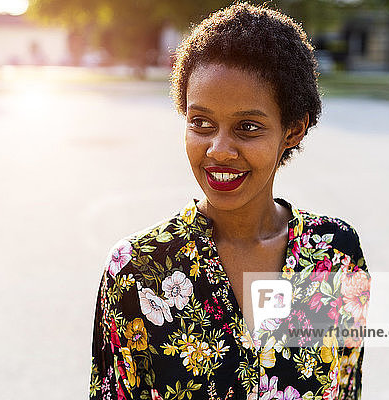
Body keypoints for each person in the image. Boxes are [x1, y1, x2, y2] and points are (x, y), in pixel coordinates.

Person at [89, 3, 369, 400]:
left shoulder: (335, 254)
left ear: (293, 130)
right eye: (200, 122)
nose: (218, 150)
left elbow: (345, 387)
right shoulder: (137, 269)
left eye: (247, 127)